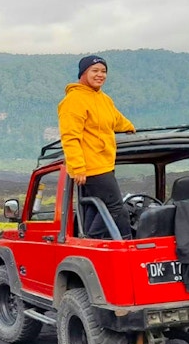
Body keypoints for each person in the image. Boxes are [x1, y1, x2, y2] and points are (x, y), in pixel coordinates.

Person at [57, 55, 135, 239]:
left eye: (103, 71)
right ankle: (126, 244)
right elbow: (70, 137)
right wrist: (77, 168)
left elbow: (115, 119)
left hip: (106, 163)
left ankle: (89, 242)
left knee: (95, 207)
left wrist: (129, 127)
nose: (100, 75)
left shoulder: (104, 99)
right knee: (116, 208)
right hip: (91, 167)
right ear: (83, 73)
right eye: (95, 71)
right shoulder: (73, 100)